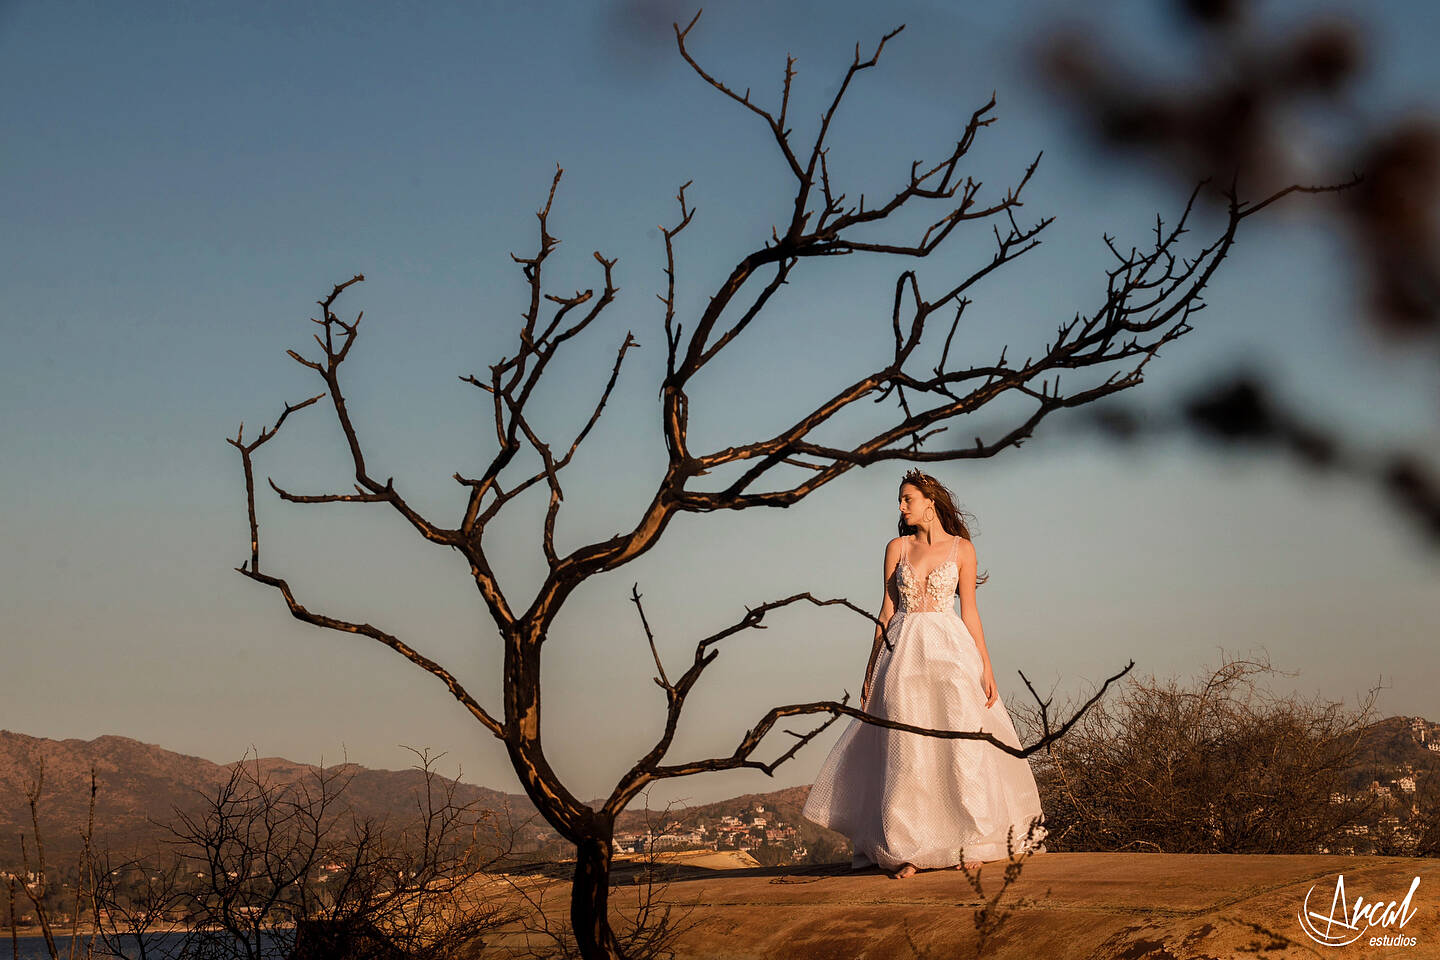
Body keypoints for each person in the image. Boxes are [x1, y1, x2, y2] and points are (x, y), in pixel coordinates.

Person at [800, 468, 1048, 879]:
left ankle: (971, 840)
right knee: (907, 749)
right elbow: (886, 611)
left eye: (907, 499)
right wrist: (870, 667)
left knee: (961, 743)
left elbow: (970, 612)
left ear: (930, 502)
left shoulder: (962, 550)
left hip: (952, 653)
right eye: (900, 500)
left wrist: (986, 666)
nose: (901, 507)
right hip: (902, 655)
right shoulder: (896, 547)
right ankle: (907, 847)